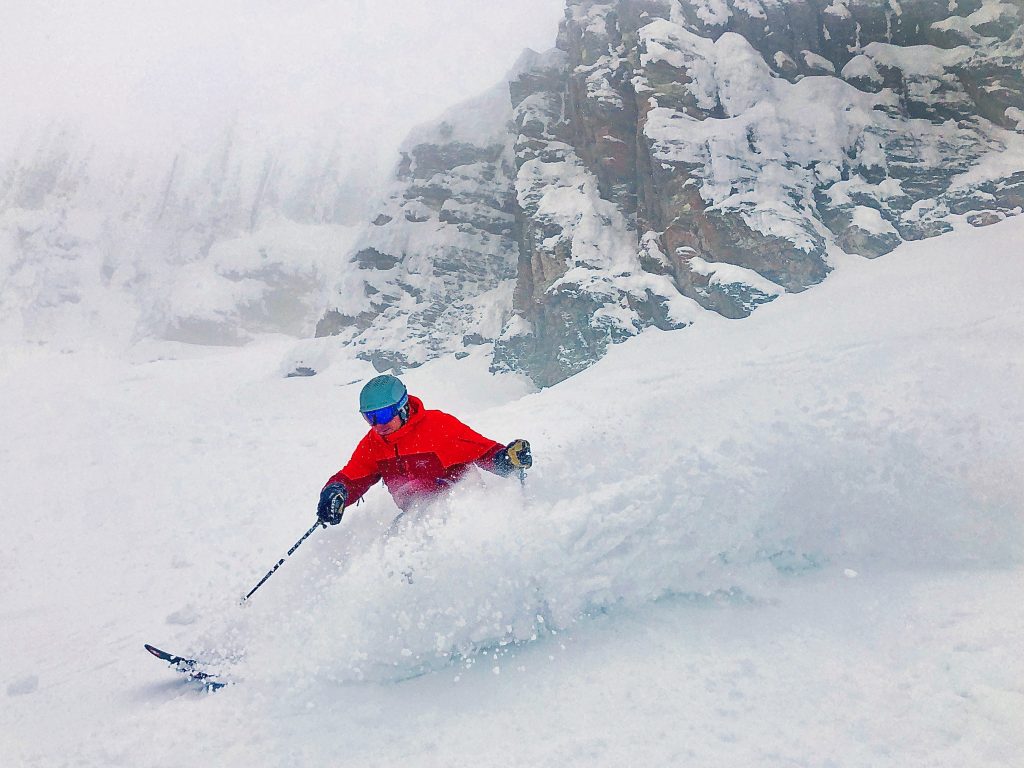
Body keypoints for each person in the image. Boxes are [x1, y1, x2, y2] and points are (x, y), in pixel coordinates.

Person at [316, 374, 532, 525]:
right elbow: (354, 476)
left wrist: (509, 459)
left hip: (463, 511)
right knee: (389, 557)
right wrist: (336, 492)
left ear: (402, 407)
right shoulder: (375, 442)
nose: (378, 424)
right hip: (416, 517)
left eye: (383, 415)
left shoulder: (439, 426)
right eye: (369, 417)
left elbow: (485, 453)